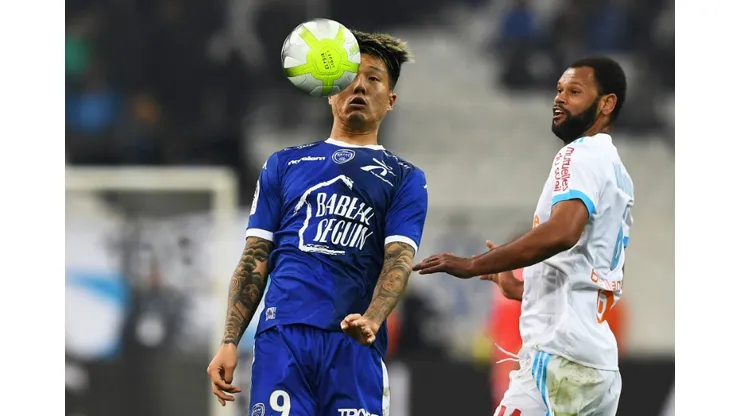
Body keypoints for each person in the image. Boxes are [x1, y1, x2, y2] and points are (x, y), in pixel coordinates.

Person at [207, 29, 428, 416]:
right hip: (283, 339)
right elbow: (255, 256)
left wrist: (373, 319)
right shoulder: (283, 164)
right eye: (350, 77)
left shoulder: (405, 178)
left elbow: (398, 259)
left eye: (373, 78)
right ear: (330, 91)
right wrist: (229, 340)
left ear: (390, 100)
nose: (360, 86)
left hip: (353, 342)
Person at [413, 56, 633, 416]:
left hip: (560, 362)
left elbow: (563, 232)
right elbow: (586, 267)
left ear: (606, 103)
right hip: (595, 368)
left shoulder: (579, 154)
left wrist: (474, 264)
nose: (559, 98)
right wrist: (522, 288)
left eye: (575, 92)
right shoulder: (616, 169)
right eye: (559, 90)